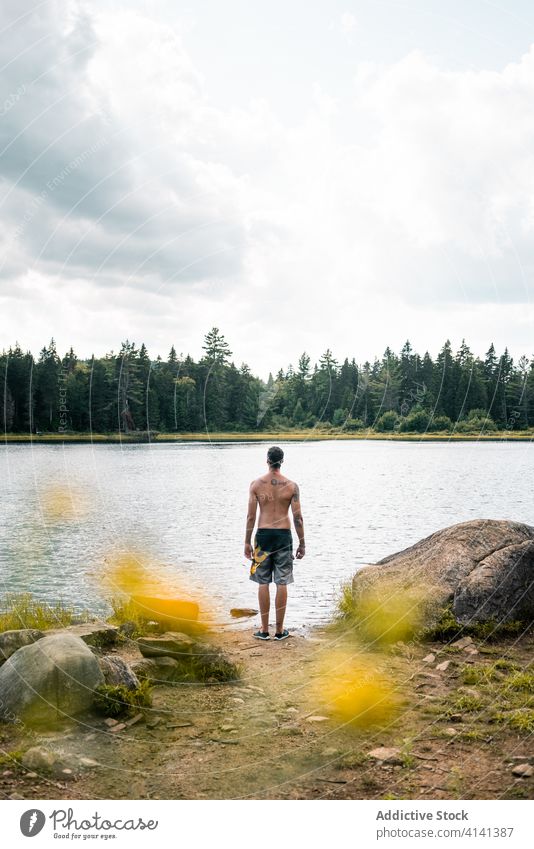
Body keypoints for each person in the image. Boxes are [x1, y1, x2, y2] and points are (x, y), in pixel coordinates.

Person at [244, 446, 305, 640]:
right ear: (282, 461)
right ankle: (279, 631)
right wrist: (302, 543)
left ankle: (263, 630)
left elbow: (250, 517)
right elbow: (298, 518)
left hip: (262, 535)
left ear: (267, 460)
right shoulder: (291, 486)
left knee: (262, 582)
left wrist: (246, 542)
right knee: (282, 582)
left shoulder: (256, 485)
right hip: (283, 536)